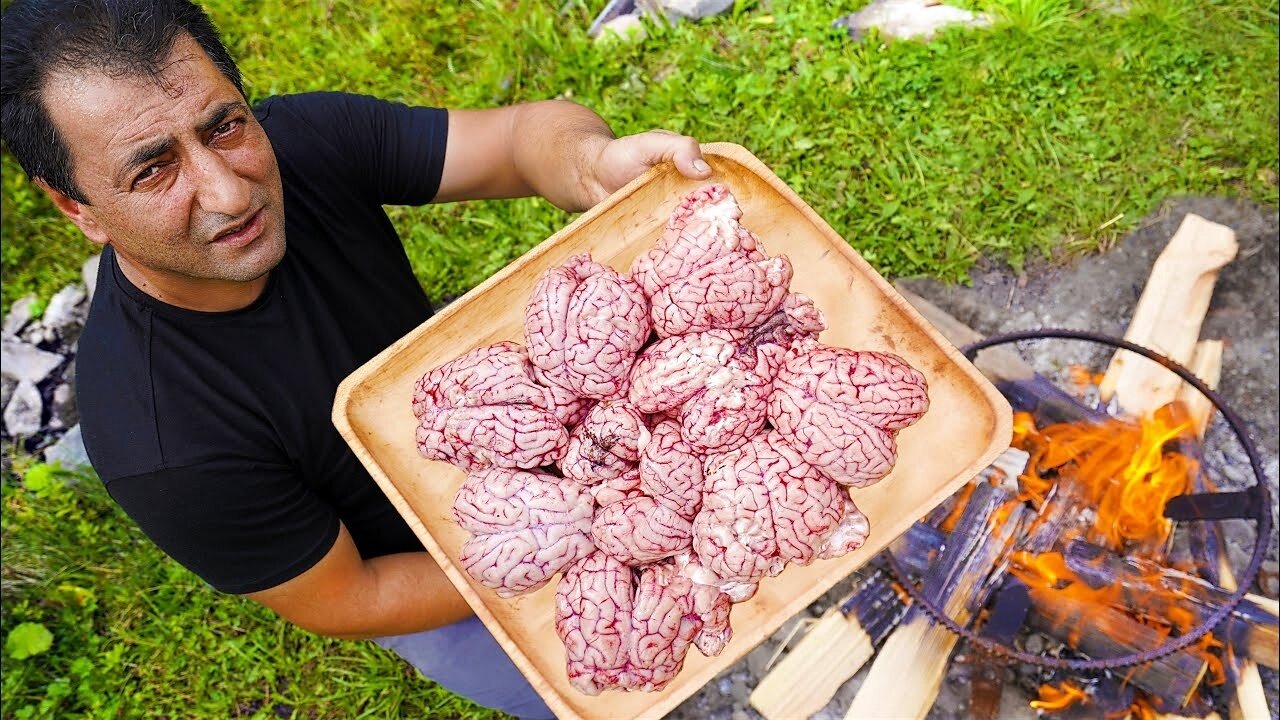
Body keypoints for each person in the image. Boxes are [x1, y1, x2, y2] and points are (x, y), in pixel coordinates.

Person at [0, 1, 713, 716]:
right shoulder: (160, 443)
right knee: (603, 692)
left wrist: (592, 164)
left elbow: (522, 135)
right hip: (439, 580)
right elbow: (348, 596)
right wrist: (580, 543)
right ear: (76, 207)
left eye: (224, 124)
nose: (228, 190)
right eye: (153, 170)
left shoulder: (300, 141)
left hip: (534, 440)